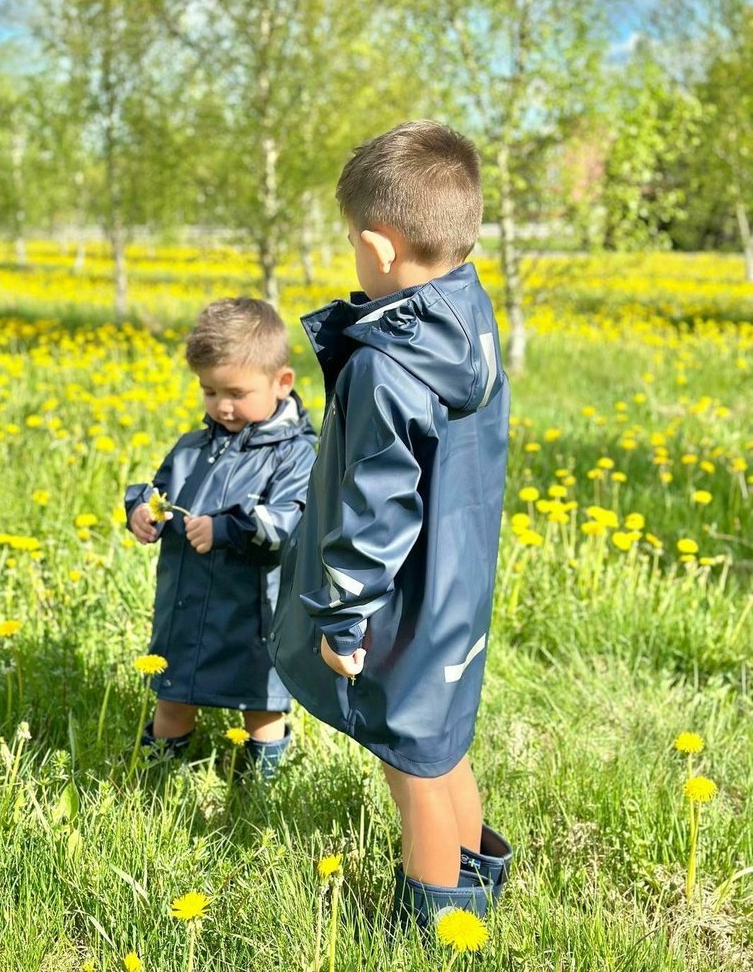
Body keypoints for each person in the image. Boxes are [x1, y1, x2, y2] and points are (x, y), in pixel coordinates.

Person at [271, 121, 513, 925]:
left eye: (350, 242)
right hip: (458, 579)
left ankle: (434, 918)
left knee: (409, 762)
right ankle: (479, 876)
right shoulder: (467, 315)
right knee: (442, 741)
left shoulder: (387, 365)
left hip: (404, 599)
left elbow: (373, 510)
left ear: (378, 248)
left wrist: (342, 618)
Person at [125, 297, 315, 775]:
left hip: (254, 614)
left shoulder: (296, 454)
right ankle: (154, 781)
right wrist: (141, 511)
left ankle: (258, 791)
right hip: (186, 606)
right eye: (209, 392)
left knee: (261, 706)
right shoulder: (193, 447)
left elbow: (291, 519)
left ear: (282, 382)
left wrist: (226, 528)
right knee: (172, 698)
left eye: (236, 392)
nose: (222, 406)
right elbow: (159, 491)